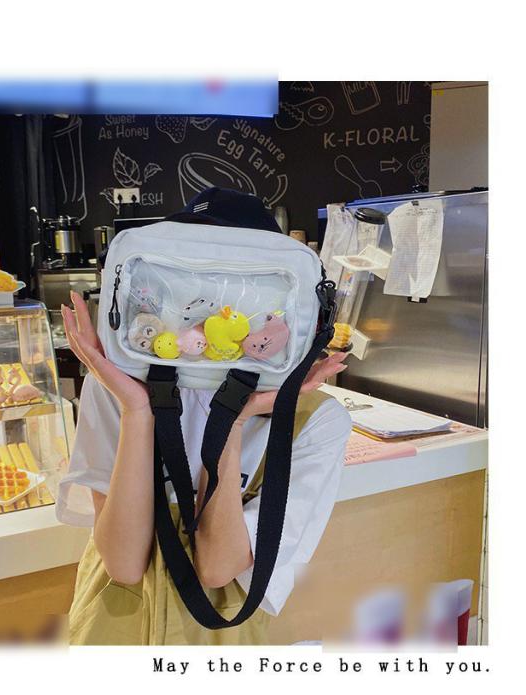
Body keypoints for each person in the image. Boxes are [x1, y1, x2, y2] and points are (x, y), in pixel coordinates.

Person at [56, 190, 352, 645]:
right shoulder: (118, 384)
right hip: (113, 627)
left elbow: (217, 567)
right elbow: (123, 564)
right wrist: (138, 410)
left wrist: (234, 420)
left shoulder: (316, 421)